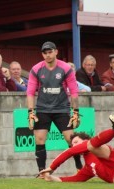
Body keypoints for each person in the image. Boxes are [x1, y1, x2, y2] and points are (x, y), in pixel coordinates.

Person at [39, 114, 114, 184]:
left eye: (76, 142)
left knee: (92, 146)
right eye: (73, 143)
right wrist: (51, 178)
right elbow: (76, 178)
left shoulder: (89, 146)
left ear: (84, 140)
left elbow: (70, 152)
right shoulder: (88, 167)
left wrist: (51, 167)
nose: (74, 145)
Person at [27, 41, 83, 173]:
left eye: (50, 52)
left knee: (71, 140)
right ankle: (42, 171)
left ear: (56, 52)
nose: (48, 55)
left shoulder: (65, 68)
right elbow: (30, 92)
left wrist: (75, 111)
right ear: (42, 54)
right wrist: (30, 112)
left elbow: (74, 91)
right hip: (42, 109)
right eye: (45, 53)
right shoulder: (36, 69)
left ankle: (79, 166)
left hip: (62, 108)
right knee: (39, 139)